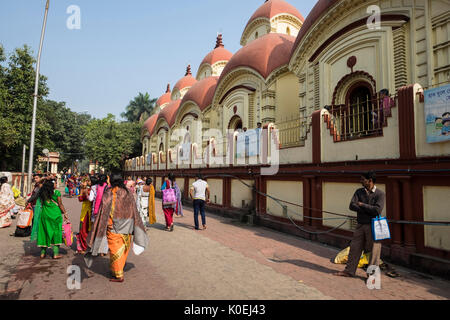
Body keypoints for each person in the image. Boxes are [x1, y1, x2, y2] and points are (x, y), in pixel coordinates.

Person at [85, 173, 149, 283]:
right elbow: (133, 208)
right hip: (127, 224)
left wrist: (101, 223)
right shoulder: (128, 192)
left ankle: (119, 275)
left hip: (113, 225)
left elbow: (104, 209)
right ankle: (115, 269)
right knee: (123, 248)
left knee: (115, 249)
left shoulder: (109, 192)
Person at [334, 171, 385, 278]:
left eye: (363, 179)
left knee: (374, 251)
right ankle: (349, 271)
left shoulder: (380, 194)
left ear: (370, 180)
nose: (360, 181)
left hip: (373, 226)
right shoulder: (359, 192)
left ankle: (372, 276)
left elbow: (377, 210)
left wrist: (362, 205)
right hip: (360, 225)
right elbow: (352, 206)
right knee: (354, 248)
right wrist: (368, 209)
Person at [30, 179, 69, 259]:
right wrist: (65, 213)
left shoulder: (42, 193)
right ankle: (55, 254)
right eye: (54, 183)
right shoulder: (57, 193)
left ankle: (42, 253)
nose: (56, 184)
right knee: (56, 232)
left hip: (45, 214)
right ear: (51, 186)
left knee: (44, 232)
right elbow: (60, 204)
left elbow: (38, 202)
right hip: (55, 214)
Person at [76, 177, 92, 254]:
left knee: (84, 230)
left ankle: (84, 247)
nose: (85, 182)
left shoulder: (91, 190)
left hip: (88, 212)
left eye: (87, 181)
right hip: (87, 211)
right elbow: (80, 199)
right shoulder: (89, 189)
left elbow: (81, 198)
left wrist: (83, 191)